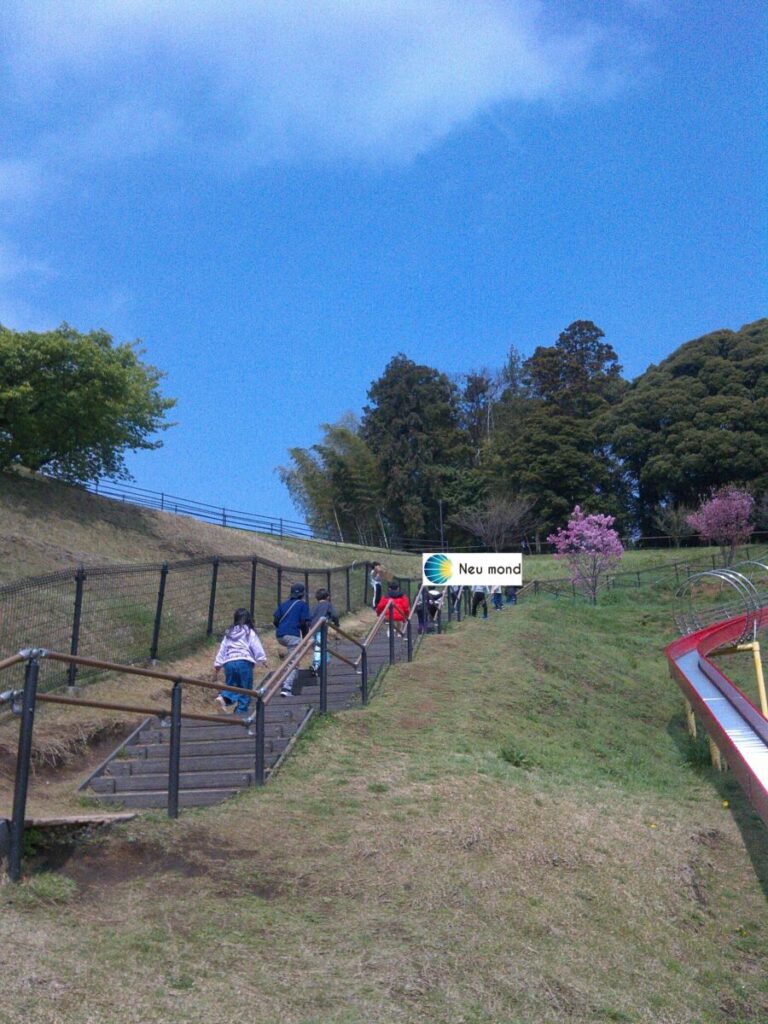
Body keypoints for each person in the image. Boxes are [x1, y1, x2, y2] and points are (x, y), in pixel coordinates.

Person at [213, 608, 268, 716]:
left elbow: (222, 649)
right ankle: (240, 714)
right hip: (244, 662)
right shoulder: (249, 632)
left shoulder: (229, 633)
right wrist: (262, 659)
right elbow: (256, 646)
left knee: (232, 686)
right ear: (249, 619)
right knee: (245, 690)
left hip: (229, 662)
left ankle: (223, 699)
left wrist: (218, 665)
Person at [273, 583, 312, 697]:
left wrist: (282, 629)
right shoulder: (302, 605)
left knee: (291, 658)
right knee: (294, 663)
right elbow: (305, 622)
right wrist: (305, 637)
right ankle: (287, 687)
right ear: (302, 594)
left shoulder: (284, 604)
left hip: (280, 635)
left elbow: (275, 620)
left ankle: (289, 677)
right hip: (292, 635)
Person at [310, 587, 340, 674]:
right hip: (321, 628)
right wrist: (336, 624)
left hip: (312, 628)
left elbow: (310, 617)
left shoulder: (314, 606)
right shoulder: (328, 604)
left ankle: (322, 662)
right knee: (320, 647)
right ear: (328, 597)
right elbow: (335, 615)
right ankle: (316, 665)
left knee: (319, 646)